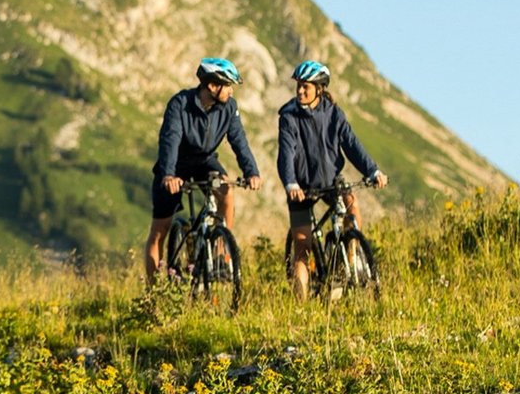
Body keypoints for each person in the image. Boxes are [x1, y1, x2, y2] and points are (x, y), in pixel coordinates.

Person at [144, 57, 263, 286]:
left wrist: (251, 172)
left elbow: (239, 141)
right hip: (175, 163)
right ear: (211, 86)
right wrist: (169, 175)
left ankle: (221, 250)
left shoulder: (229, 107)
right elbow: (170, 140)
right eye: (227, 85)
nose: (230, 91)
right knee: (160, 230)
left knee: (226, 189)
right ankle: (153, 291)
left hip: (204, 162)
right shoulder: (180, 104)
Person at [276, 60, 388, 300]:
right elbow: (285, 154)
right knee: (303, 247)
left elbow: (352, 145)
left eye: (305, 87)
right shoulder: (288, 116)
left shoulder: (334, 113)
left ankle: (349, 259)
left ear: (320, 88)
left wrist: (373, 171)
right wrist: (291, 184)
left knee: (351, 204)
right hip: (302, 187)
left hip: (331, 180)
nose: (300, 91)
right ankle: (302, 308)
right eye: (298, 86)